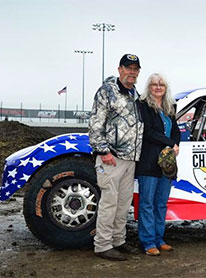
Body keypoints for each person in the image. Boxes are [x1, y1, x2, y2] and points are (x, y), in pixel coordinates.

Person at [89, 54, 144, 261]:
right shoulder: (107, 91)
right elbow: (96, 123)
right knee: (109, 203)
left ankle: (118, 240)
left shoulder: (134, 94)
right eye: (128, 68)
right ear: (120, 69)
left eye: (136, 69)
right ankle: (103, 245)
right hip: (111, 157)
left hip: (130, 158)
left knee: (123, 203)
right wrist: (103, 151)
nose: (132, 72)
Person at [135, 73, 180, 256]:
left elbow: (176, 131)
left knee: (161, 203)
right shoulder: (144, 106)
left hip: (166, 165)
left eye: (161, 84)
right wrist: (169, 143)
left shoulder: (170, 107)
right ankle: (148, 242)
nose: (158, 87)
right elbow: (147, 132)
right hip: (149, 162)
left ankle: (159, 239)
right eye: (154, 84)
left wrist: (176, 144)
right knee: (147, 203)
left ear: (166, 87)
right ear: (149, 87)